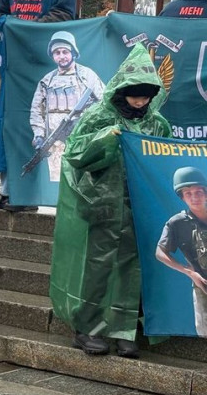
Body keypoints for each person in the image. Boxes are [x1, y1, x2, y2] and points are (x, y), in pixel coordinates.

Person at [49, 44, 171, 358]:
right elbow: (74, 154)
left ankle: (124, 330)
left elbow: (168, 162)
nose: (141, 102)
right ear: (122, 91)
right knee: (97, 269)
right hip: (102, 206)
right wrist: (104, 139)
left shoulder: (157, 123)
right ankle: (88, 328)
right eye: (135, 95)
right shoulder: (99, 115)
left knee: (132, 272)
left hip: (138, 210)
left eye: (146, 96)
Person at [0, 0, 77, 212]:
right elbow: (1, 12)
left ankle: (28, 193)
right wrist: (10, 27)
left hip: (43, 64)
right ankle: (8, 190)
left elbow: (64, 13)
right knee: (10, 126)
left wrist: (27, 29)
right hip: (14, 62)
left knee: (36, 126)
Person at [28, 31, 104, 182]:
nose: (61, 56)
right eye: (57, 52)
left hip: (82, 140)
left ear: (73, 53)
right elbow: (36, 111)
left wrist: (91, 125)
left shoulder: (87, 76)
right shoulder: (47, 81)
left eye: (65, 52)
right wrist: (38, 136)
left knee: (83, 180)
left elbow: (104, 101)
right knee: (60, 182)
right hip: (56, 142)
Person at [155, 167, 207, 336]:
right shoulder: (177, 223)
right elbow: (160, 252)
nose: (194, 197)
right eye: (188, 193)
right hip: (203, 287)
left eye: (198, 192)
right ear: (182, 197)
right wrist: (189, 273)